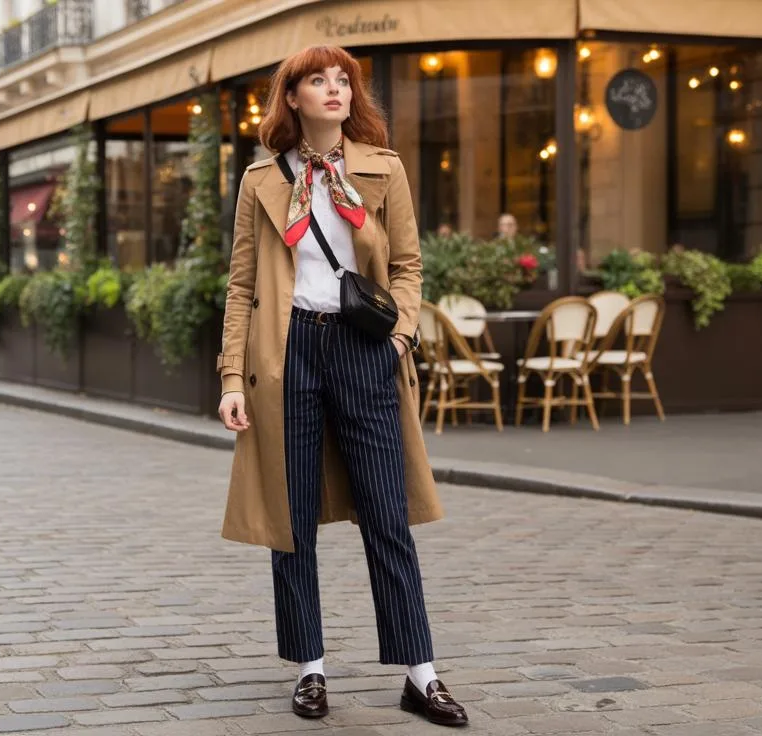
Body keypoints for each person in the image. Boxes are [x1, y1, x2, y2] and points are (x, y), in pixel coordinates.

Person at [215, 45, 468, 727]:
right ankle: (310, 669)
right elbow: (242, 287)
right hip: (287, 351)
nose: (336, 91)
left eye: (344, 82)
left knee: (387, 515)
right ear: (291, 97)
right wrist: (232, 376)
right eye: (318, 81)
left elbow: (409, 266)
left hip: (363, 349)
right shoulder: (261, 180)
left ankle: (421, 673)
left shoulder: (384, 171)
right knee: (291, 520)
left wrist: (398, 338)